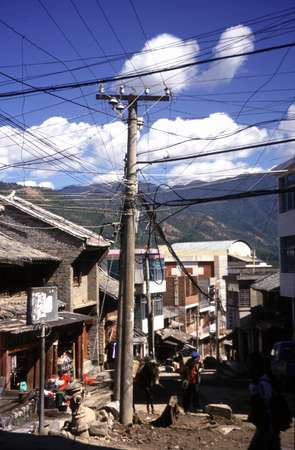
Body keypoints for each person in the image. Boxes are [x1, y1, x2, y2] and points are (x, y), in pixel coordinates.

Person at [247, 353, 291, 450]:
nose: (248, 368)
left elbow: (268, 406)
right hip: (266, 427)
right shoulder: (259, 381)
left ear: (256, 367)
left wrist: (271, 427)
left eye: (249, 365)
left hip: (267, 426)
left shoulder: (263, 384)